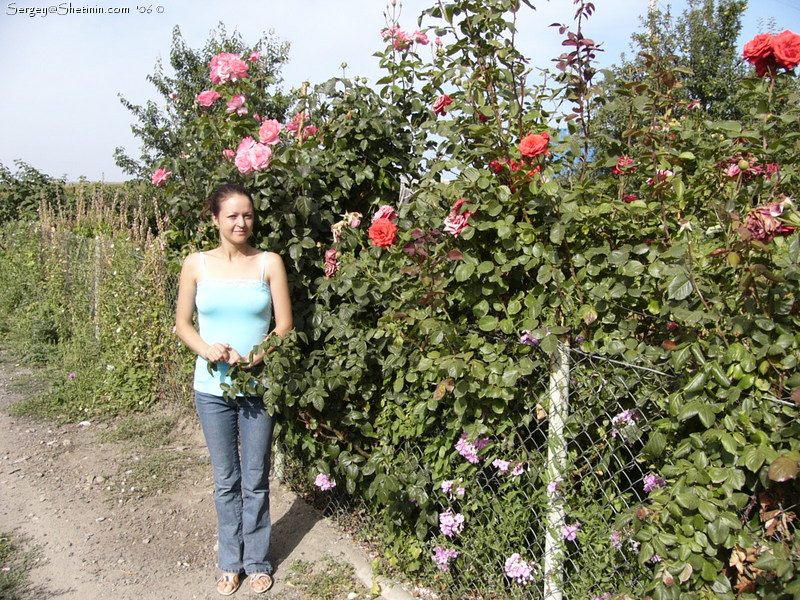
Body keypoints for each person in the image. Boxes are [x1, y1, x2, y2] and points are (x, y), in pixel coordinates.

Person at [175, 183, 293, 595]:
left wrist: (257, 355)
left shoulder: (269, 263)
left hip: (258, 387)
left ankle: (257, 560)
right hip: (210, 389)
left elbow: (284, 327)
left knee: (256, 477)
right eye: (232, 216)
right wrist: (207, 348)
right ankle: (230, 561)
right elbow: (183, 325)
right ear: (215, 219)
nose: (241, 223)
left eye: (247, 215)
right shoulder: (196, 265)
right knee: (226, 478)